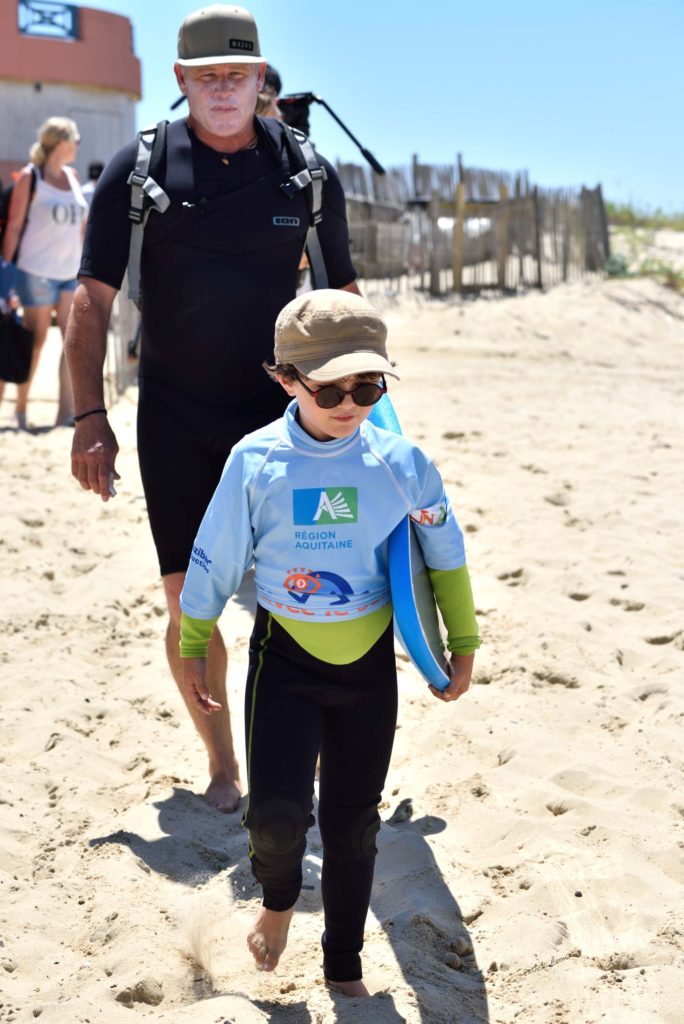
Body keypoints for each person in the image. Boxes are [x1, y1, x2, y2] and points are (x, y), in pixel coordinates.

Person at [65, 5, 359, 814]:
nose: (225, 89)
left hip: (280, 423)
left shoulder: (305, 173)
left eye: (239, 74)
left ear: (262, 77)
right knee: (188, 606)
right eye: (207, 76)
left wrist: (358, 411)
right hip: (176, 419)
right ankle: (224, 762)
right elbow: (90, 300)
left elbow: (342, 302)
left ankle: (305, 750)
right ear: (181, 81)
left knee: (298, 594)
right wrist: (91, 418)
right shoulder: (138, 168)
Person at [179, 290, 481, 995]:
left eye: (369, 385)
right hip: (283, 657)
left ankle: (344, 967)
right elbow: (216, 556)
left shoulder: (400, 462)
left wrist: (460, 640)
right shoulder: (255, 463)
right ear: (285, 379)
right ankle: (279, 903)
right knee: (276, 820)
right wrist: (195, 639)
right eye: (331, 388)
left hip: (368, 667)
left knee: (353, 830)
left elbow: (444, 551)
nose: (351, 403)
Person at [0, 116, 86, 428]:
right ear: (62, 141)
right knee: (34, 343)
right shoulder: (30, 176)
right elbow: (13, 225)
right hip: (35, 271)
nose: (77, 146)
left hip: (69, 272)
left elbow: (81, 226)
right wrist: (5, 274)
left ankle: (65, 414)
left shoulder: (74, 177)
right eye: (75, 140)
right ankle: (20, 409)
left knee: (71, 343)